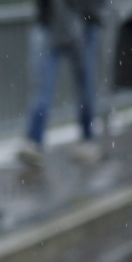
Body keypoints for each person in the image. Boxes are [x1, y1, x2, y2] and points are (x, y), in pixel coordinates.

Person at [18, 0, 105, 167]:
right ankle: (34, 141)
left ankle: (87, 140)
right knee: (43, 88)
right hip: (51, 22)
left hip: (80, 24)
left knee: (83, 87)